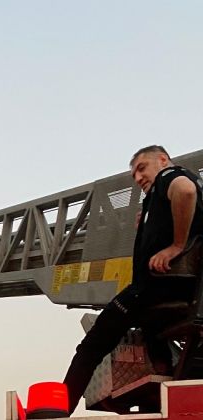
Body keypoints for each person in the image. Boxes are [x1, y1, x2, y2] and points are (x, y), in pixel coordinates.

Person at [62, 145, 203, 414]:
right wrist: (151, 224)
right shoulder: (187, 189)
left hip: (153, 290)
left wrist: (176, 246)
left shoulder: (169, 177)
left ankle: (60, 409)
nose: (138, 178)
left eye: (141, 168)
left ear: (163, 160)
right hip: (186, 294)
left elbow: (184, 191)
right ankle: (163, 373)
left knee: (92, 346)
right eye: (134, 175)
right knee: (152, 329)